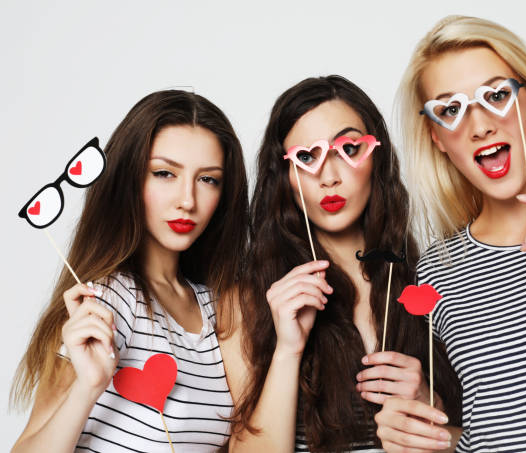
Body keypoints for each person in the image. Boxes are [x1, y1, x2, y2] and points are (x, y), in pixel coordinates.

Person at [376, 15, 526, 452]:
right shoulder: (437, 270)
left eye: (497, 95)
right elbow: (493, 431)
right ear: (437, 137)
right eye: (451, 109)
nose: (480, 125)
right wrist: (428, 437)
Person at [220, 75, 462, 453]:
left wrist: (430, 408)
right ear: (283, 177)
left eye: (349, 148)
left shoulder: (434, 280)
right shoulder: (246, 301)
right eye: (306, 157)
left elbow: (492, 437)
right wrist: (288, 349)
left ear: (377, 157)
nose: (329, 176)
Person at [11, 89, 249, 452]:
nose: (188, 199)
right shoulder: (107, 301)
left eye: (208, 179)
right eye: (165, 173)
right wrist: (88, 387)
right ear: (130, 179)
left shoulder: (219, 307)